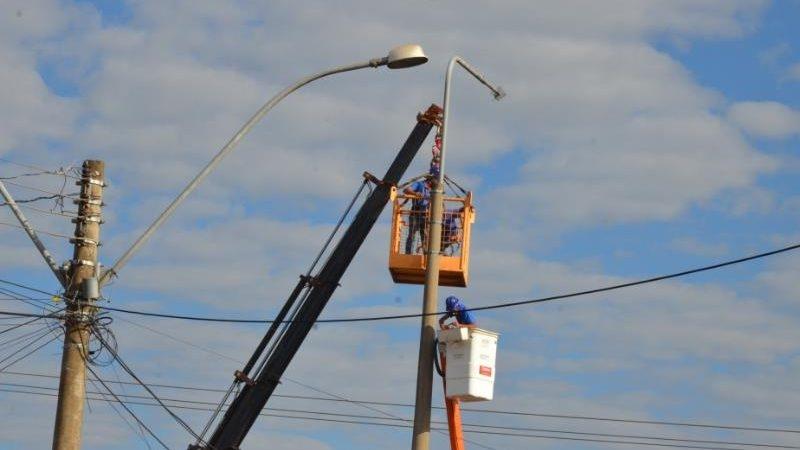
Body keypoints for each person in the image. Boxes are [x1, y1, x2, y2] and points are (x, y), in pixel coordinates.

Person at [403, 176, 432, 254]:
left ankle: (426, 254)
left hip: (425, 214)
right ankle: (408, 253)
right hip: (415, 212)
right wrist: (415, 193)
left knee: (425, 236)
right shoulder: (419, 184)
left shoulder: (434, 190)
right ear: (430, 180)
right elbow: (406, 190)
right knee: (411, 235)